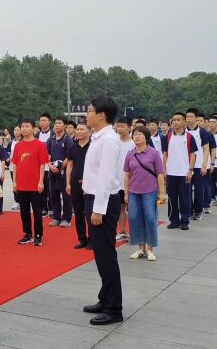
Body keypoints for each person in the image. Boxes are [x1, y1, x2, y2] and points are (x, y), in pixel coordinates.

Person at [81, 96, 124, 325]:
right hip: (95, 200)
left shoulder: (108, 140)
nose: (86, 114)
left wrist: (98, 209)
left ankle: (113, 309)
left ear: (101, 115)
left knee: (106, 255)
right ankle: (105, 298)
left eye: (89, 110)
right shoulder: (98, 138)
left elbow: (107, 177)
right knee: (100, 254)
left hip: (103, 202)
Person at [124, 127, 166, 262]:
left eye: (140, 134)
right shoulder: (130, 154)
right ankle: (140, 248)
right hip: (133, 192)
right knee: (134, 218)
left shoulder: (154, 153)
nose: (136, 137)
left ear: (146, 137)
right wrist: (126, 193)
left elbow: (160, 174)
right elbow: (127, 175)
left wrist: (162, 192)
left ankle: (150, 249)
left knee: (150, 218)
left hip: (150, 191)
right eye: (134, 134)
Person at [13, 118, 49, 246]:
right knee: (24, 212)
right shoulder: (18, 145)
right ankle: (27, 234)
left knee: (37, 212)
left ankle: (38, 235)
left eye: (27, 126)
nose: (24, 129)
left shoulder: (40, 145)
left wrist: (41, 182)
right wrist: (14, 182)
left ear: (33, 129)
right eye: (22, 126)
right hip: (21, 184)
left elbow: (42, 165)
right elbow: (15, 165)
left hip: (35, 185)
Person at [163, 112, 197, 230]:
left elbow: (193, 154)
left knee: (184, 198)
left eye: (178, 120)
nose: (175, 122)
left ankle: (185, 220)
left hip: (184, 173)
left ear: (184, 122)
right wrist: (165, 170)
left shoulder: (189, 137)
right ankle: (174, 220)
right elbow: (165, 154)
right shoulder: (167, 136)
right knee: (172, 198)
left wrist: (190, 170)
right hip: (171, 172)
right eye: (174, 120)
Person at [66, 122, 91, 249]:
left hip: (90, 185)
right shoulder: (73, 148)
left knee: (89, 212)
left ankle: (92, 239)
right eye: (78, 129)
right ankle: (82, 239)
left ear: (89, 131)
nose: (79, 131)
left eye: (82, 129)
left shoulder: (93, 146)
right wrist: (68, 183)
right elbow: (70, 165)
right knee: (78, 213)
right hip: (75, 184)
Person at [47, 117, 74, 227]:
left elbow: (70, 156)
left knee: (66, 196)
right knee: (53, 195)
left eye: (59, 123)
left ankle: (66, 219)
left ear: (64, 125)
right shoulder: (51, 139)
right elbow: (47, 156)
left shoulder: (68, 139)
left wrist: (61, 167)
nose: (57, 125)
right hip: (52, 172)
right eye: (56, 123)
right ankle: (56, 217)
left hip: (64, 172)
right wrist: (50, 166)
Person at [185, 108, 210, 221]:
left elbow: (206, 149)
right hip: (186, 166)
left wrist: (204, 164)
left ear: (196, 118)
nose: (189, 119)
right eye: (187, 117)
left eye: (191, 117)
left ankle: (198, 210)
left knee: (199, 189)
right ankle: (188, 211)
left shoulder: (202, 132)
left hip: (199, 164)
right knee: (187, 189)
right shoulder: (183, 131)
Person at [115, 117, 135, 242]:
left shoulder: (134, 144)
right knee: (121, 207)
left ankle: (135, 232)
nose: (120, 129)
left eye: (123, 126)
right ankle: (122, 231)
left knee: (132, 208)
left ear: (129, 127)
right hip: (116, 181)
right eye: (118, 126)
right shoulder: (114, 142)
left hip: (132, 181)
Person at [37, 113, 52, 217]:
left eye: (44, 121)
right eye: (41, 121)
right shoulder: (36, 135)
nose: (42, 123)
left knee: (51, 189)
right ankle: (43, 208)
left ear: (49, 122)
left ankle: (52, 209)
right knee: (41, 189)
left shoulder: (54, 134)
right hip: (39, 167)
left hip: (50, 166)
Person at [9, 125, 22, 211]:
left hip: (21, 166)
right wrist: (8, 157)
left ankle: (22, 200)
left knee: (21, 183)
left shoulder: (23, 141)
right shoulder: (10, 142)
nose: (16, 132)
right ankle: (16, 201)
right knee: (14, 183)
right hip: (12, 166)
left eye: (18, 130)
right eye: (15, 130)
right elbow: (6, 151)